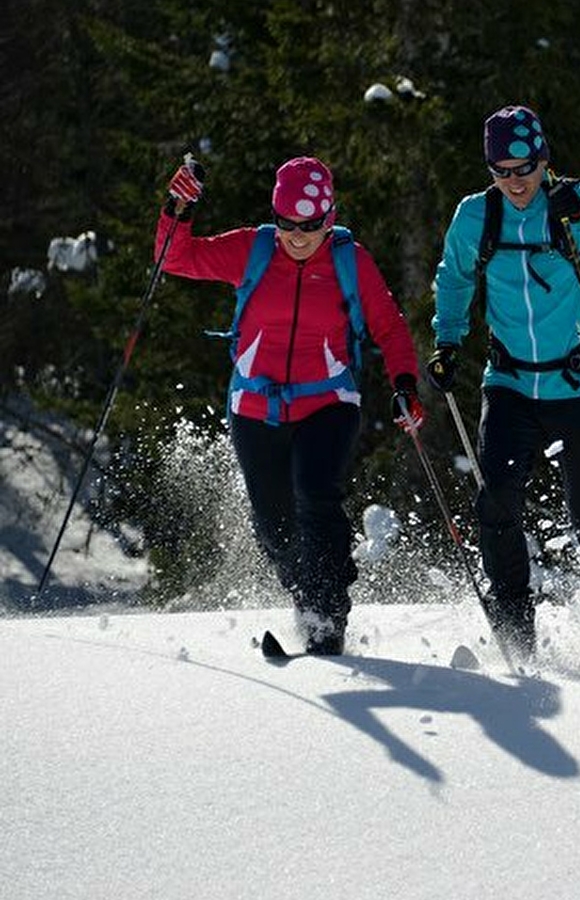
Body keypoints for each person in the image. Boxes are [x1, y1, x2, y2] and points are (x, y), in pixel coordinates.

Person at [157, 156, 424, 655]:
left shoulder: (350, 259)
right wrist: (179, 207)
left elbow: (389, 325)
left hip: (328, 401)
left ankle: (327, 617)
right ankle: (308, 594)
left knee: (316, 494)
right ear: (274, 216)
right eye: (287, 223)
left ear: (330, 218)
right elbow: (176, 258)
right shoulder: (252, 249)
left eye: (311, 225)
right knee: (272, 524)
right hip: (255, 405)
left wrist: (405, 384)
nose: (298, 235)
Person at [426, 105, 580, 667]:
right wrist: (447, 341)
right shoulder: (476, 217)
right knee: (496, 507)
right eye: (502, 170)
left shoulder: (578, 201)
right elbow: (454, 277)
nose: (515, 180)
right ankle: (516, 642)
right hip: (508, 386)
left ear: (543, 159)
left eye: (524, 167)